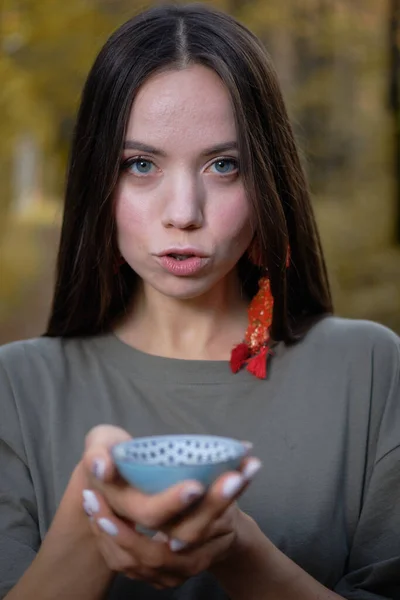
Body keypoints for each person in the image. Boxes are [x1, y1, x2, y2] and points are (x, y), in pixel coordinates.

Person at [0, 3, 399, 599]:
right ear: (96, 183)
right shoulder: (14, 388)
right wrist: (94, 527)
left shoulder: (371, 370)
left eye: (223, 165)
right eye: (140, 165)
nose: (184, 212)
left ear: (268, 180)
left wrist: (239, 551)